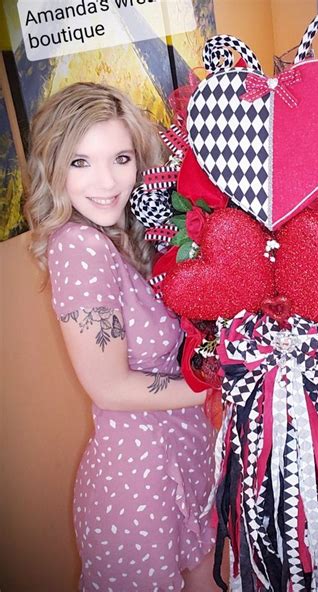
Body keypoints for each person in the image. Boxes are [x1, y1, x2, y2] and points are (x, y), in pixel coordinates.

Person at [24, 82, 220, 592]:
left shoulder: (130, 235)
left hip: (187, 450)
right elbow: (109, 388)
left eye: (122, 158)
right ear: (53, 168)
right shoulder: (79, 247)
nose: (107, 181)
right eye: (81, 162)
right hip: (139, 479)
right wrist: (223, 386)